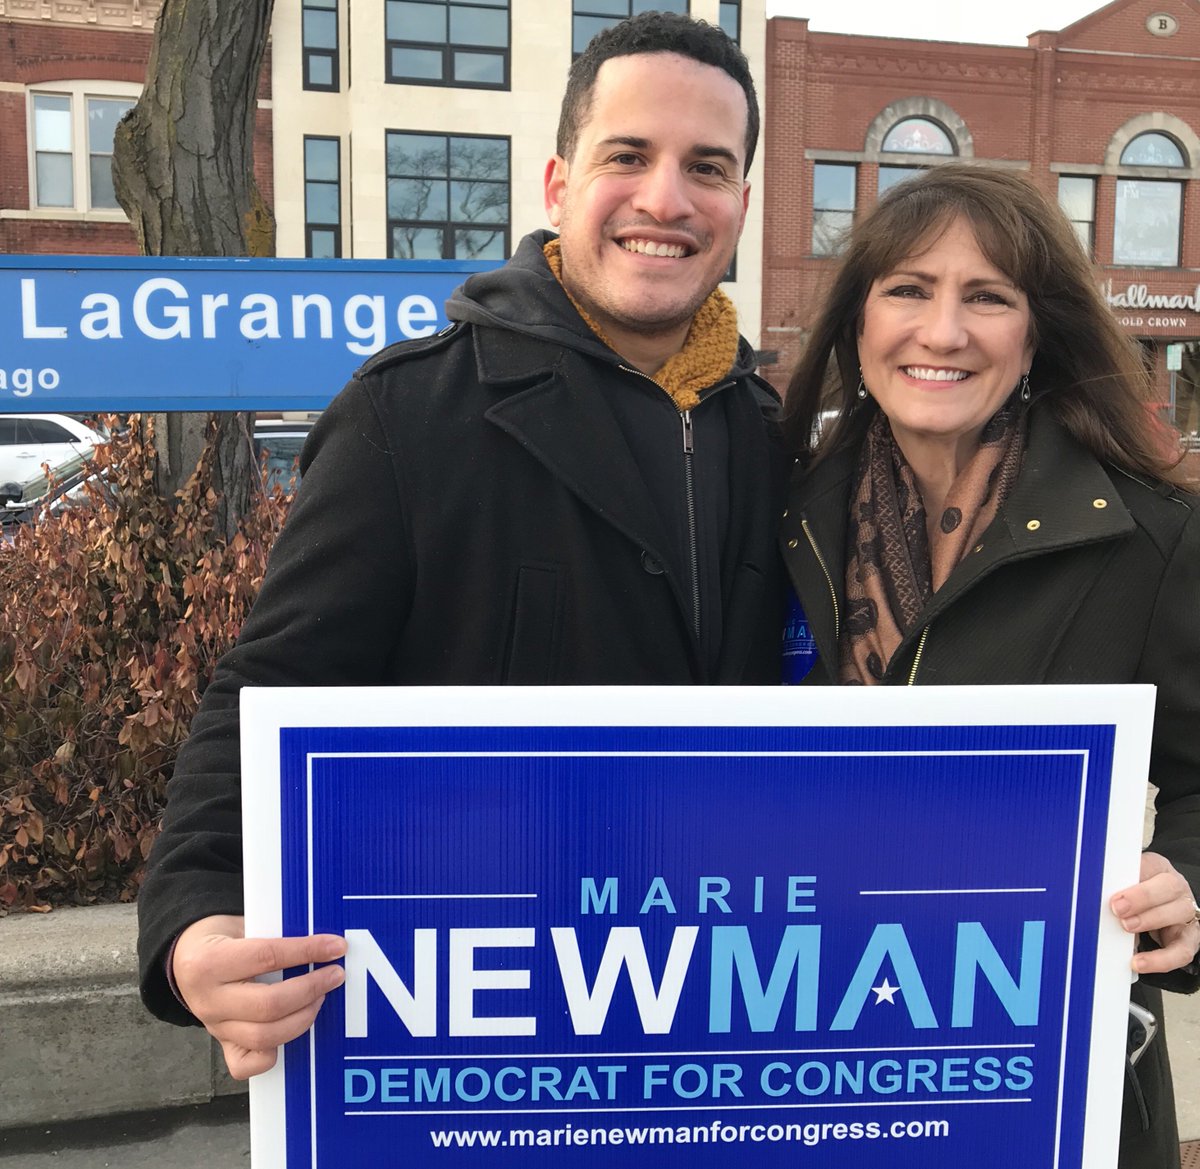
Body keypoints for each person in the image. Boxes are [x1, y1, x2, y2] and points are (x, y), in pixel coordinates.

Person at [136, 12, 788, 1080]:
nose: (667, 199)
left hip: (716, 1024)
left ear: (742, 206)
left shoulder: (774, 435)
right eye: (628, 155)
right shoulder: (412, 414)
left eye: (707, 167)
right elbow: (274, 684)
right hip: (483, 1036)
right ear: (557, 185)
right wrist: (197, 918)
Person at [779, 161, 1200, 1168]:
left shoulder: (1154, 536)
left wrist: (1188, 878)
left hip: (1045, 1078)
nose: (944, 331)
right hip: (802, 1051)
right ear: (858, 322)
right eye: (910, 290)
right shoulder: (778, 521)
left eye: (989, 297)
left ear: (1036, 331)